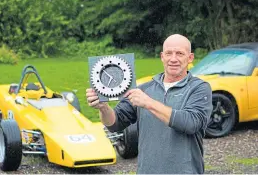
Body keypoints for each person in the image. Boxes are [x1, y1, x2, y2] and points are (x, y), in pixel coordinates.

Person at [86, 34, 212, 174]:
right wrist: (103, 107)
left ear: (190, 58)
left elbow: (191, 123)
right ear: (162, 56)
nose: (173, 59)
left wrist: (148, 103)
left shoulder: (199, 88)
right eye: (169, 53)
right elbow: (114, 124)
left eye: (180, 54)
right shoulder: (144, 89)